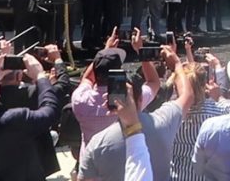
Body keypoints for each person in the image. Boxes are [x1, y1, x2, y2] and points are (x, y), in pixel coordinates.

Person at [79, 46, 194, 181]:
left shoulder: (97, 143)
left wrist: (104, 52)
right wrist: (176, 64)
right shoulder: (163, 122)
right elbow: (187, 95)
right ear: (140, 99)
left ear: (111, 102)